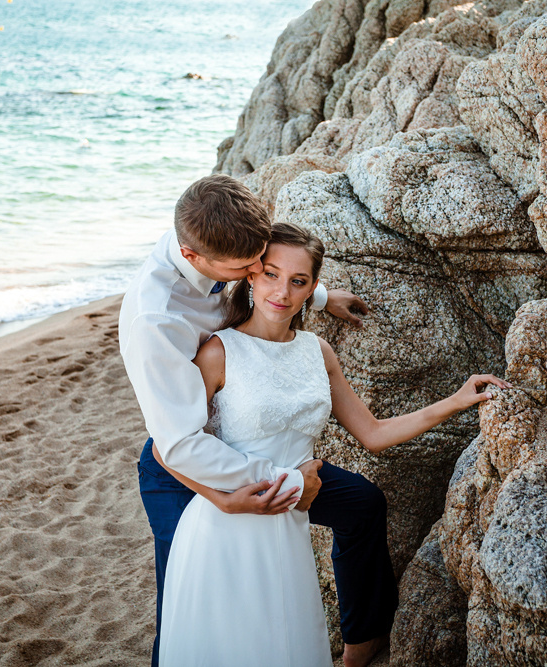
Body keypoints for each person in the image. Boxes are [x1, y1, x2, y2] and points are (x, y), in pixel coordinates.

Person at [157, 223, 511, 666]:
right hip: (230, 514)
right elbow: (166, 448)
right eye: (271, 274)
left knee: (287, 633)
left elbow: (373, 433)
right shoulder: (217, 353)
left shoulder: (317, 351)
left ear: (312, 288)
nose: (281, 292)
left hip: (294, 509)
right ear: (250, 275)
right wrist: (223, 500)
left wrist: (455, 402)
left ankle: (362, 640)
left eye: (298, 281)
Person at [118, 175, 394, 667]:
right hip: (184, 461)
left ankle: (366, 635)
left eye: (257, 262)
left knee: (363, 505)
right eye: (246, 267)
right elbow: (176, 444)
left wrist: (320, 296)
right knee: (187, 605)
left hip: (251, 447)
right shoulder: (155, 319)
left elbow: (273, 276)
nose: (253, 272)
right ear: (193, 256)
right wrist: (277, 486)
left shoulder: (212, 237)